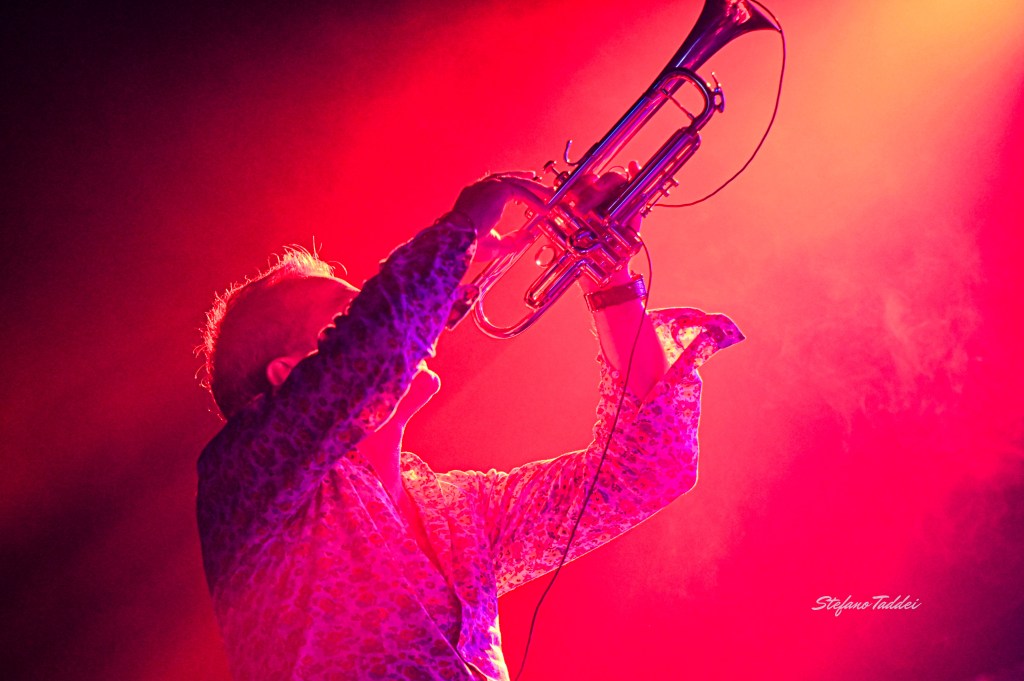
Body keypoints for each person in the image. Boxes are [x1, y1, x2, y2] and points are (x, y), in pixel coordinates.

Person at [196, 173, 742, 680]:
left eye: (367, 306)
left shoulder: (459, 510)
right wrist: (463, 227)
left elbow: (646, 471)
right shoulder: (243, 480)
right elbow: (370, 351)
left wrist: (610, 276)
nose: (386, 313)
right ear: (289, 375)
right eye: (349, 313)